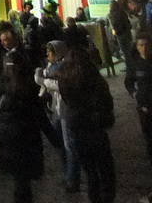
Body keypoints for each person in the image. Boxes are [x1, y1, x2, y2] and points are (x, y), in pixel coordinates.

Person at [0, 30, 44, 203]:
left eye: (7, 39)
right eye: (2, 40)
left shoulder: (8, 95)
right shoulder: (16, 95)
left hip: (17, 146)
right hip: (21, 146)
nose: (4, 42)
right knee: (22, 184)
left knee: (21, 184)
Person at [58, 49, 116, 201]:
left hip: (78, 129)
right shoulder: (95, 80)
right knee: (105, 169)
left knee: (90, 171)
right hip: (95, 127)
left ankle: (95, 197)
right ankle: (106, 197)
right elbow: (106, 103)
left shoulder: (65, 80)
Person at [35, 41, 76, 189]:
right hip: (55, 110)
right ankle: (67, 174)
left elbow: (59, 86)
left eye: (50, 52)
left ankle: (72, 179)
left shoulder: (66, 67)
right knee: (59, 143)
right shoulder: (51, 67)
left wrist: (42, 81)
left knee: (68, 145)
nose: (47, 55)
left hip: (65, 110)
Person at [126, 31, 152, 166]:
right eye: (140, 45)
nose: (143, 48)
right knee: (148, 135)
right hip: (144, 105)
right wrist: (134, 93)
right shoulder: (134, 63)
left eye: (146, 45)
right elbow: (129, 82)